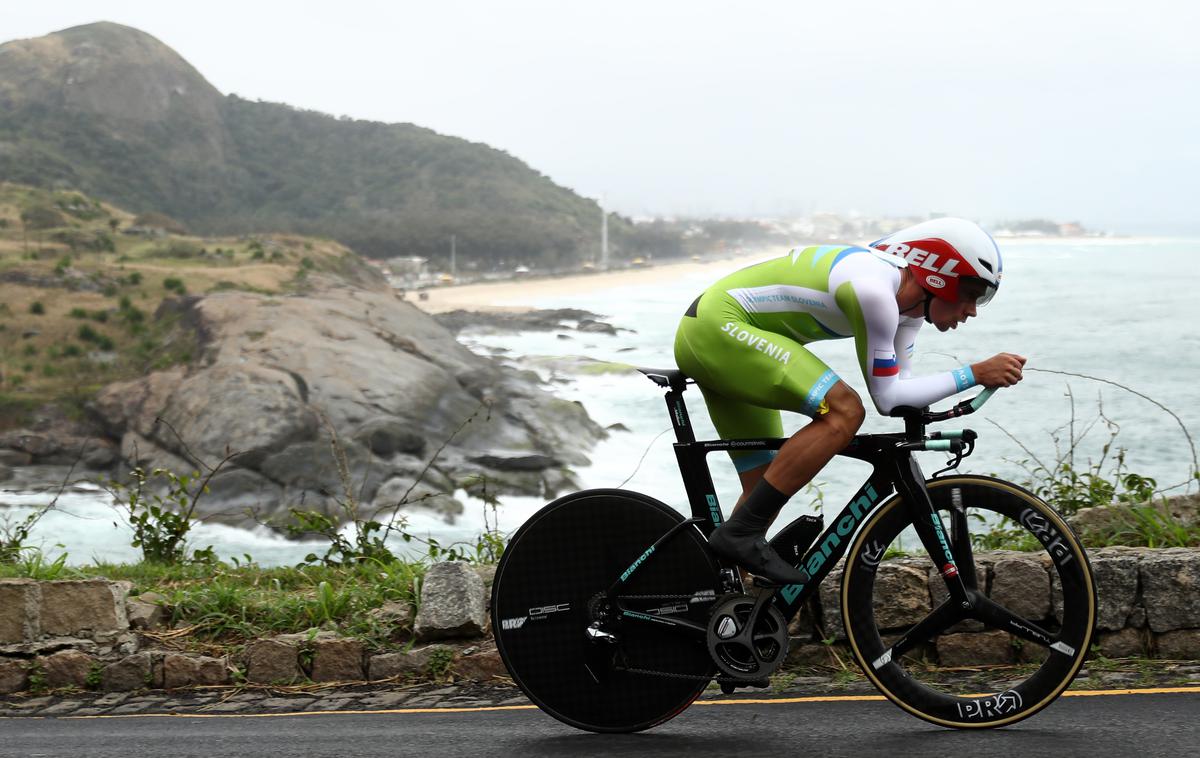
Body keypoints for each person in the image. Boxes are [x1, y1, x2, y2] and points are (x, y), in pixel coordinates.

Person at [673, 217, 1025, 584]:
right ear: (939, 277)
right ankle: (739, 536)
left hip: (725, 337)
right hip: (718, 329)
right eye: (971, 294)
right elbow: (887, 399)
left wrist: (944, 406)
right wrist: (974, 374)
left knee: (765, 485)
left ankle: (721, 602)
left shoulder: (908, 311)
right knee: (844, 410)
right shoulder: (874, 292)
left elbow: (903, 391)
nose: (972, 310)